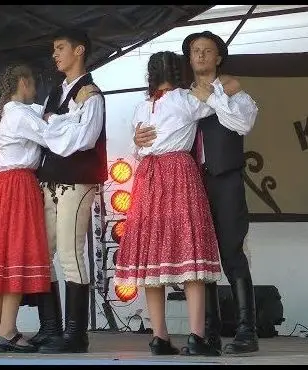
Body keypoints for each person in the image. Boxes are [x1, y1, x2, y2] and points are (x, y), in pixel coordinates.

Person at [134, 31, 260, 354]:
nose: (200, 55)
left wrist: (219, 93)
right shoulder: (180, 97)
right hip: (188, 182)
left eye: (207, 50)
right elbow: (151, 138)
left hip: (224, 178)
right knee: (197, 256)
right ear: (188, 60)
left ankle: (247, 330)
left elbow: (242, 124)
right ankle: (208, 332)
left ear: (219, 57)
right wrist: (140, 140)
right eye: (194, 51)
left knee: (231, 250)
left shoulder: (232, 93)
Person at [0, 29, 107, 354]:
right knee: (43, 255)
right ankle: (51, 327)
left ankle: (75, 334)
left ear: (79, 50)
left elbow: (82, 139)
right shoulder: (57, 92)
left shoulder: (91, 93)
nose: (55, 54)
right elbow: (36, 130)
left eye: (60, 48)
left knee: (71, 254)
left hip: (76, 179)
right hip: (50, 181)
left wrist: (54, 124)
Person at [114, 51, 230, 357]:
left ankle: (159, 337)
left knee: (153, 258)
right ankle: (196, 336)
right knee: (189, 254)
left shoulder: (142, 106)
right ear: (178, 71)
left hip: (148, 177)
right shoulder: (185, 99)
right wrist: (219, 85)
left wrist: (139, 142)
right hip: (179, 171)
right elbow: (220, 103)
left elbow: (137, 148)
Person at [0, 63, 59, 353]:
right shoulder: (20, 113)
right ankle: (7, 330)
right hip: (17, 185)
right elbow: (50, 137)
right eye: (33, 83)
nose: (35, 89)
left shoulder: (4, 113)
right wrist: (59, 119)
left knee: (6, 256)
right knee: (16, 255)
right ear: (23, 82)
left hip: (3, 187)